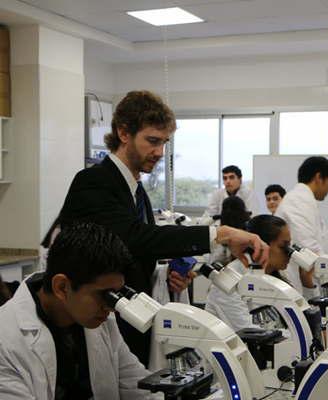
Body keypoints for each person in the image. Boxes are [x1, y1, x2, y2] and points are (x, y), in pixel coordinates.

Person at [59, 90, 268, 366]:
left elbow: (130, 251)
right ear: (123, 133)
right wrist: (221, 234)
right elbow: (132, 238)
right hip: (93, 320)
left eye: (164, 143)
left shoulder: (136, 190)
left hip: (128, 322)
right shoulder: (94, 181)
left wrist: (166, 272)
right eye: (152, 141)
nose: (159, 152)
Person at [0, 222, 156, 400]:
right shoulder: (5, 341)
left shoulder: (101, 320)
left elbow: (138, 386)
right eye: (104, 295)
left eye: (116, 294)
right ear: (62, 287)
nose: (111, 307)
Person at [205, 215, 292, 332]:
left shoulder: (273, 276)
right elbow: (251, 332)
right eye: (284, 246)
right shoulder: (229, 281)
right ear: (263, 245)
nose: (290, 253)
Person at [275, 156, 328, 296]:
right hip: (291, 277)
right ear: (319, 177)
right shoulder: (298, 200)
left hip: (302, 276)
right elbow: (307, 245)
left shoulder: (304, 199)